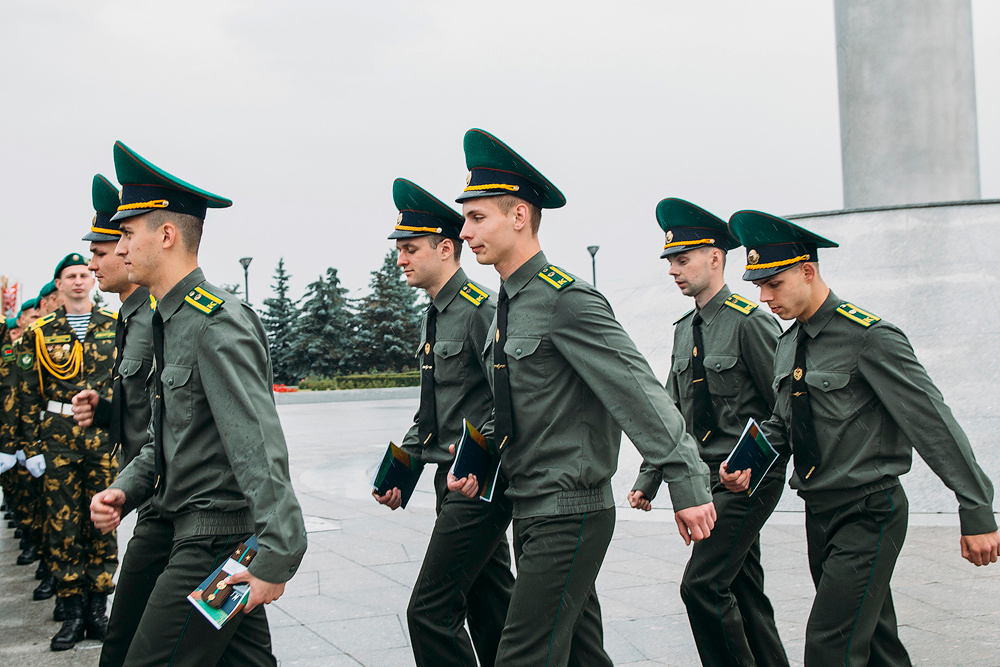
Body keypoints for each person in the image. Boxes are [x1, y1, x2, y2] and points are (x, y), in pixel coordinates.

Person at [452, 129, 715, 666]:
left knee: (521, 657)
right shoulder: (507, 303)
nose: (464, 230)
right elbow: (512, 403)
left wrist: (686, 482)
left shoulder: (566, 299)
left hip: (568, 513)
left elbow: (637, 391)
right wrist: (478, 459)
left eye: (477, 217)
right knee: (579, 656)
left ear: (519, 216)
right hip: (528, 505)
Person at [724, 209, 1000, 667]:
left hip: (869, 509)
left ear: (808, 271)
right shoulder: (788, 343)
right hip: (821, 509)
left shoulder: (870, 337)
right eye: (759, 286)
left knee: (830, 646)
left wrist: (976, 507)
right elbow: (784, 422)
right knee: (874, 644)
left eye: (774, 283)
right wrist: (748, 460)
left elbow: (932, 423)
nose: (765, 297)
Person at [90, 140, 307, 666]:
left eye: (125, 234)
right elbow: (170, 437)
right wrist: (126, 489)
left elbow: (257, 440)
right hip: (193, 527)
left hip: (216, 541)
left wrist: (280, 551)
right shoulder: (172, 320)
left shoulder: (214, 322)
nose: (118, 250)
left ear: (165, 235)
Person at [628, 198, 788, 667]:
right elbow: (671, 412)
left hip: (748, 479)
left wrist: (750, 468)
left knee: (701, 586)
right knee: (742, 588)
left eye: (683, 259)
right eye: (671, 262)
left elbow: (784, 410)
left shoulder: (751, 322)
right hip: (707, 478)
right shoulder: (684, 330)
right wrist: (649, 478)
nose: (673, 270)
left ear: (715, 258)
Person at [373, 178, 514, 666]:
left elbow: (508, 403)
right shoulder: (435, 314)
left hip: (478, 482)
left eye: (410, 249)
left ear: (445, 247)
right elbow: (432, 411)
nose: (401, 259)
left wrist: (473, 463)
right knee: (490, 604)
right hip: (451, 479)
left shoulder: (481, 311)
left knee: (429, 611)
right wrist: (404, 469)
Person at [70, 173, 160, 665]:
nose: (98, 261)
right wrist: (106, 413)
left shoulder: (157, 316)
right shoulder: (131, 315)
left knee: (124, 644)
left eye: (106, 248)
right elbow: (148, 413)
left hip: (170, 501)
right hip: (151, 493)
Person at [16, 251, 119, 650]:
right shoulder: (39, 332)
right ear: (58, 285)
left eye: (83, 274)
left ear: (91, 280)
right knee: (62, 525)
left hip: (102, 435)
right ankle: (72, 612)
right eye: (69, 276)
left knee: (104, 518)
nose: (78, 280)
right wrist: (29, 446)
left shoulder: (114, 325)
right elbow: (25, 394)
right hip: (57, 434)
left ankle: (98, 610)